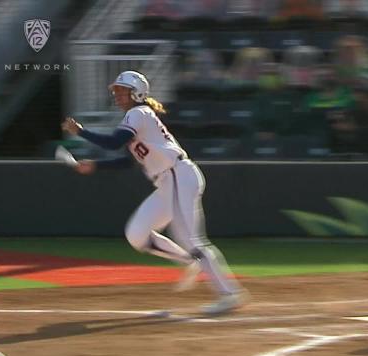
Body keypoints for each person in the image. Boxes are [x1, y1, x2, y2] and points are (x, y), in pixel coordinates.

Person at [61, 71, 247, 315]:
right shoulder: (136, 118)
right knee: (137, 234)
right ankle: (190, 262)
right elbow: (127, 161)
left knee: (192, 240)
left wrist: (81, 132)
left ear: (136, 93)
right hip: (168, 182)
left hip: (178, 175)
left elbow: (114, 143)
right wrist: (96, 165)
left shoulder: (138, 113)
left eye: (121, 90)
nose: (116, 95)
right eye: (116, 91)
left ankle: (229, 293)